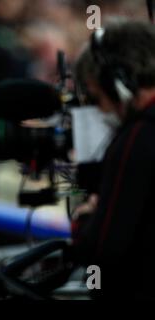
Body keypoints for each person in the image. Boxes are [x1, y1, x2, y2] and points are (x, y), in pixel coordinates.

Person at [70, 20, 155, 299]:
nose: (103, 110)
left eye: (97, 96)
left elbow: (102, 249)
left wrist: (85, 217)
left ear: (117, 82)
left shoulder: (138, 135)